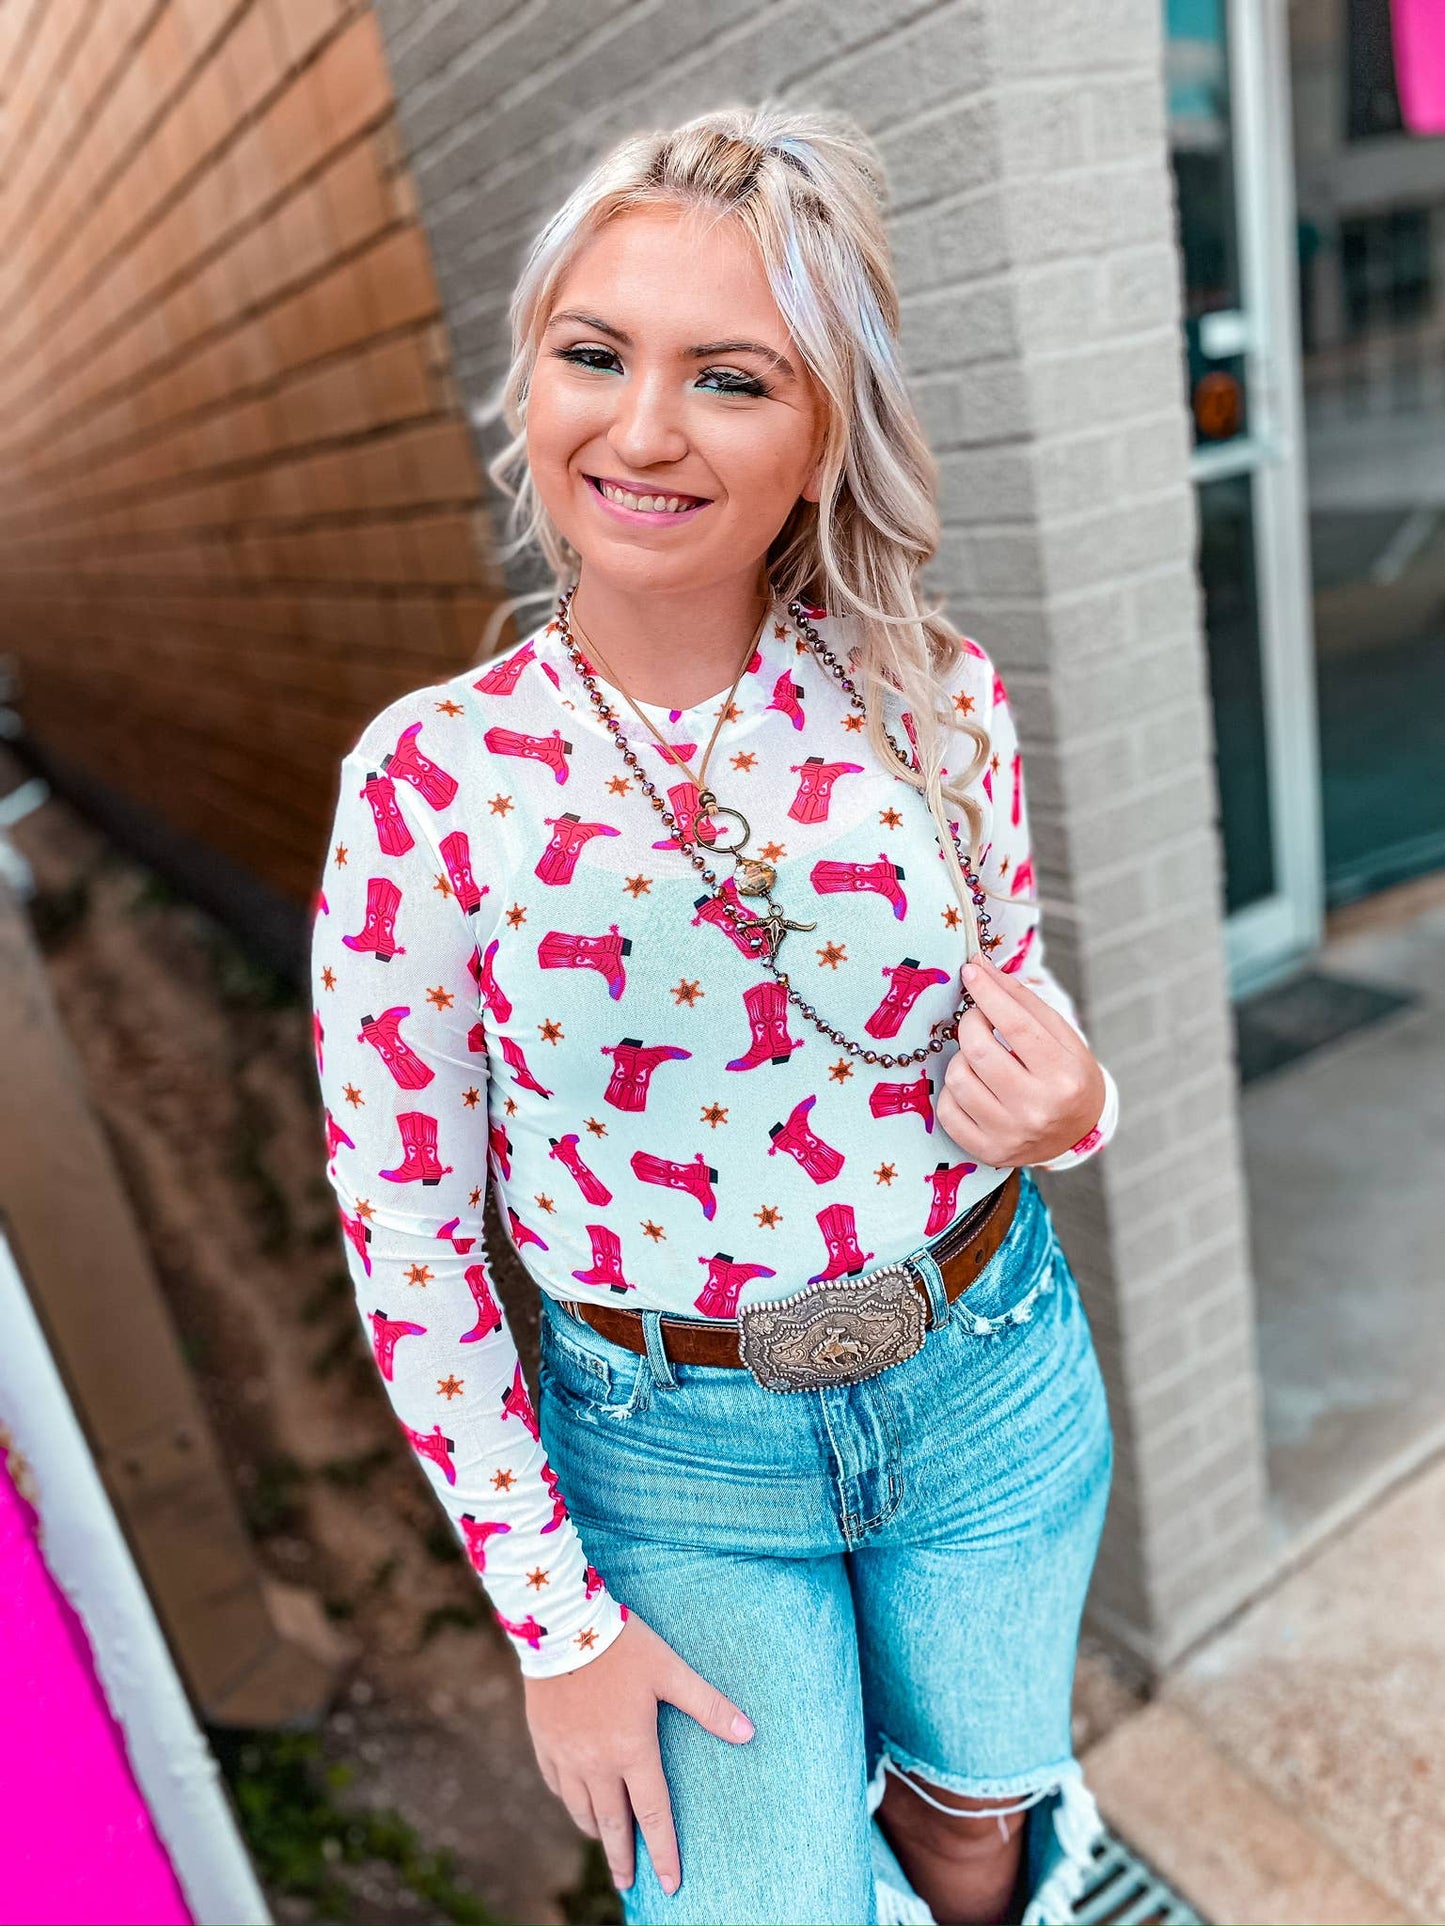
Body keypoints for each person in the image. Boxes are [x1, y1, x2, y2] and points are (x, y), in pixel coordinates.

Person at [310, 104, 1120, 1926]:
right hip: (669, 1457)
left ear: (823, 430)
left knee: (978, 1826)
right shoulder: (432, 783)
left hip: (987, 1373)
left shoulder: (931, 695)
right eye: (594, 354)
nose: (645, 428)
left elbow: (1022, 1019)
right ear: (532, 379)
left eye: (730, 377)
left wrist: (1076, 1105)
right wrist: (552, 1617)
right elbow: (411, 1232)